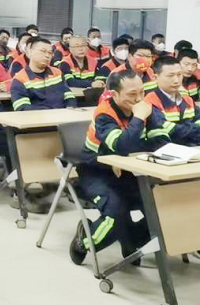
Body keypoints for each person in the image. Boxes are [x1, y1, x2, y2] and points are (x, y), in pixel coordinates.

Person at [70, 70, 170, 265]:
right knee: (116, 213)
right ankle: (83, 242)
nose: (139, 99)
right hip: (96, 172)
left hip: (130, 171)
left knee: (161, 205)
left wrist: (125, 154)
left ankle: (130, 239)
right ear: (115, 94)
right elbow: (123, 145)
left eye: (142, 92)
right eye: (132, 94)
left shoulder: (145, 108)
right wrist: (138, 120)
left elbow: (161, 142)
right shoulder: (105, 114)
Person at [145, 56, 200, 146]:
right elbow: (160, 135)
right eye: (170, 76)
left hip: (194, 149)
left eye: (179, 75)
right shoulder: (150, 101)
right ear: (155, 77)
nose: (176, 80)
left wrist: (179, 130)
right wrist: (193, 129)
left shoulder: (187, 99)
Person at [11, 36, 76, 111]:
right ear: (30, 52)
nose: (47, 55)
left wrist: (70, 107)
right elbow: (22, 107)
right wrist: (50, 112)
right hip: (37, 117)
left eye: (50, 52)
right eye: (43, 51)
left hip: (63, 115)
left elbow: (68, 94)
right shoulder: (20, 79)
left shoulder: (57, 73)